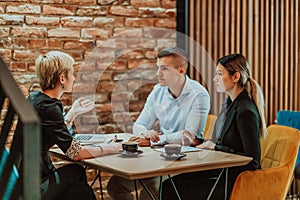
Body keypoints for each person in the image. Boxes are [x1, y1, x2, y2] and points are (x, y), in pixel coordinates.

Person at [13, 51, 122, 200]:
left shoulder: (35, 98)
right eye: (72, 73)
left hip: (23, 178)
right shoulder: (50, 107)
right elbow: (75, 153)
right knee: (77, 173)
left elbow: (50, 131)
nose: (75, 78)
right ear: (62, 78)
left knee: (81, 190)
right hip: (33, 186)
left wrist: (72, 113)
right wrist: (111, 148)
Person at [107, 47, 210, 200]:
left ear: (181, 71)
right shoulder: (158, 90)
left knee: (152, 190)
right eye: (158, 68)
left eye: (164, 69)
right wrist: (145, 133)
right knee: (116, 186)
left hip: (184, 160)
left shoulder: (199, 94)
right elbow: (139, 124)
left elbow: (189, 136)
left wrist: (154, 140)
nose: (158, 74)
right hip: (158, 156)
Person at [162, 54, 267, 199]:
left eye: (219, 74)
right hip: (222, 170)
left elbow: (253, 161)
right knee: (167, 184)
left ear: (235, 77)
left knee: (171, 189)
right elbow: (220, 143)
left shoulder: (245, 111)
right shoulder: (228, 104)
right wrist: (198, 141)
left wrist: (215, 147)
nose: (214, 79)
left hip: (236, 179)